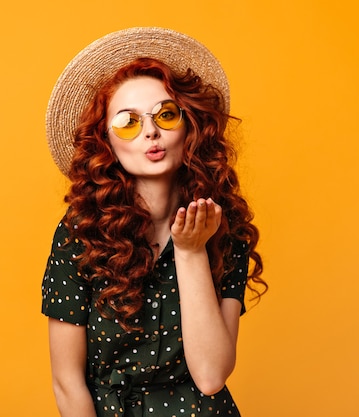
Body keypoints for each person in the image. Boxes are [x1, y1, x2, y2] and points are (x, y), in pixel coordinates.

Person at [41, 27, 266, 417]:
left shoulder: (223, 226)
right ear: (105, 142)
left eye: (165, 114)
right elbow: (67, 382)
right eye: (128, 121)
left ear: (189, 126)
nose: (151, 131)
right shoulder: (80, 232)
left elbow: (211, 375)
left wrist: (191, 250)